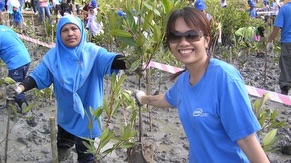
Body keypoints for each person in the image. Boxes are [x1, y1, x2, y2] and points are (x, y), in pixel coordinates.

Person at [133, 7, 270, 162]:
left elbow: (247, 141)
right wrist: (143, 98)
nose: (183, 42)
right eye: (175, 36)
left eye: (192, 35)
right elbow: (166, 99)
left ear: (207, 39)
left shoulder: (224, 79)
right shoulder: (185, 80)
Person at [6, 14, 128, 162]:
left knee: (85, 154)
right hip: (66, 113)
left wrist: (130, 62)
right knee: (63, 144)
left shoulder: (94, 53)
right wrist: (20, 87)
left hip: (88, 116)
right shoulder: (54, 56)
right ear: (59, 34)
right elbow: (38, 76)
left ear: (81, 31)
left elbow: (112, 60)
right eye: (65, 30)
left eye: (74, 28)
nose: (70, 33)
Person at [0, 25, 31, 110]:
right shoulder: (4, 28)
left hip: (16, 62)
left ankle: (26, 111)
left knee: (15, 89)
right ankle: (9, 106)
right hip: (25, 58)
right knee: (12, 83)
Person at [267, 0, 291, 96]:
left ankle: (285, 92)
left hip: (287, 42)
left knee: (286, 66)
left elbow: (277, 27)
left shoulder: (284, 9)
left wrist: (270, 41)